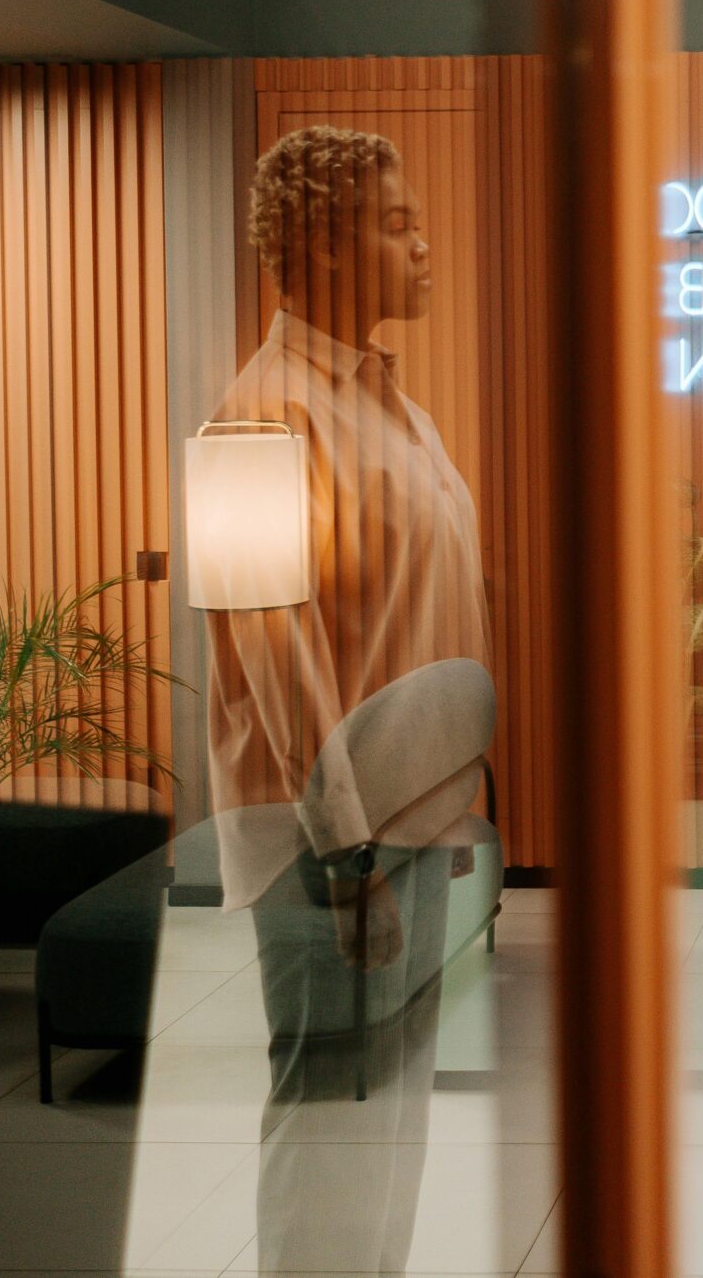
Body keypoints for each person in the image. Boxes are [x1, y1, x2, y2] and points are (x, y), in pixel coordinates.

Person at [202, 124, 493, 1276]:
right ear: (324, 243)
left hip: (408, 823)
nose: (424, 246)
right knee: (332, 1117)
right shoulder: (256, 416)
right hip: (331, 843)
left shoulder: (397, 410)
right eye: (395, 223)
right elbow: (268, 651)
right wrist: (344, 852)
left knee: (393, 1106)